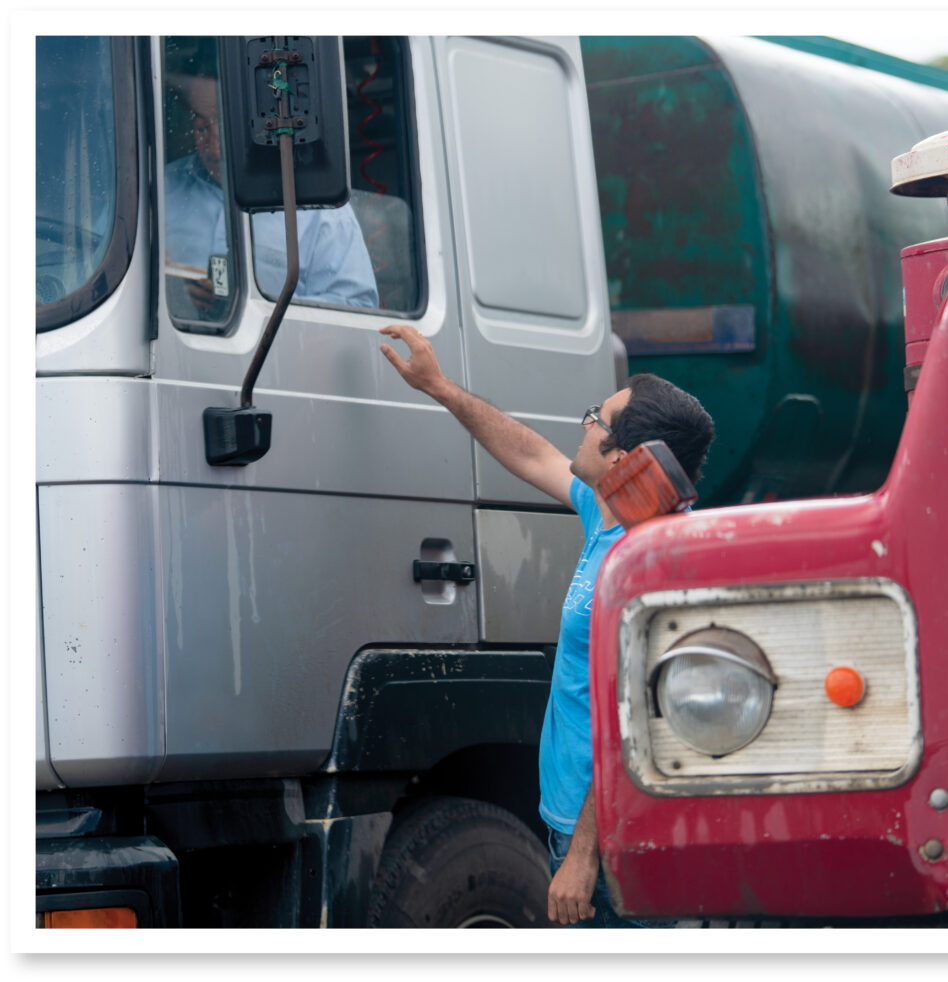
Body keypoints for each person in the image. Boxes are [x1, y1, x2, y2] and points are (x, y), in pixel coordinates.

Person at [378, 324, 715, 928]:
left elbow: (635, 720)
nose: (584, 424)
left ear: (626, 457)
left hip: (618, 842)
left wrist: (582, 857)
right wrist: (440, 388)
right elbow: (530, 452)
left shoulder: (654, 559)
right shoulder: (614, 509)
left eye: (598, 420)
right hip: (584, 830)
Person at [164, 74, 378, 317]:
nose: (213, 147)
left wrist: (250, 303)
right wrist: (172, 286)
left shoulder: (318, 203)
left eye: (225, 127)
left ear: (259, 121)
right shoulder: (161, 191)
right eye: (202, 127)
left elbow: (356, 307)